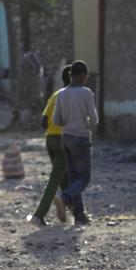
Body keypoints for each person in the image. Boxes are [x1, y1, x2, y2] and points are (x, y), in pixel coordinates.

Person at [52, 60, 99, 225]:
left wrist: (69, 120)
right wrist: (84, 121)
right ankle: (64, 198)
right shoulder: (86, 93)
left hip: (66, 138)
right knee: (84, 177)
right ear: (82, 76)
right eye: (85, 76)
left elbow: (56, 120)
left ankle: (79, 215)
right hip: (81, 138)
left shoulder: (62, 94)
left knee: (73, 178)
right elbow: (94, 119)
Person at [28, 64, 71, 227]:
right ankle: (38, 215)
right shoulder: (75, 97)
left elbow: (44, 122)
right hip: (65, 140)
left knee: (63, 176)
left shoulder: (55, 96)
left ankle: (76, 212)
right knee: (56, 178)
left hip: (50, 140)